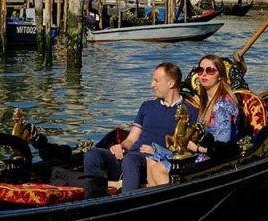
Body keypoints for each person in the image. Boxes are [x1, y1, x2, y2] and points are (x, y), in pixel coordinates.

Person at [82, 62, 196, 193]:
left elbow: (187, 150)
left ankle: (126, 203)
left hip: (154, 162)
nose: (152, 85)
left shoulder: (189, 112)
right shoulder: (147, 106)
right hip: (130, 157)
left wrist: (158, 153)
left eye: (156, 81)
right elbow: (131, 140)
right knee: (93, 154)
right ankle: (93, 199)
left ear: (170, 83)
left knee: (131, 159)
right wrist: (121, 146)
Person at [145, 54, 242, 186]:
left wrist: (196, 148)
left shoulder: (223, 105)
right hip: (203, 153)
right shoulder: (207, 101)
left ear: (220, 76)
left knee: (158, 169)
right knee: (152, 159)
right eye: (200, 71)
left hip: (215, 160)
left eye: (210, 70)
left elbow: (223, 148)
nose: (204, 74)